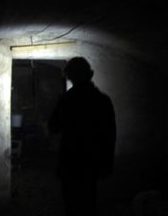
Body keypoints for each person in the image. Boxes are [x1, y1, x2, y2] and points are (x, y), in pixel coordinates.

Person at [48, 57, 116, 216]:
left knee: (71, 203)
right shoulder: (103, 101)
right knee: (89, 201)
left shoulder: (66, 99)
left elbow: (53, 126)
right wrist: (107, 163)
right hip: (92, 160)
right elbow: (110, 135)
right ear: (89, 75)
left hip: (71, 160)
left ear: (71, 77)